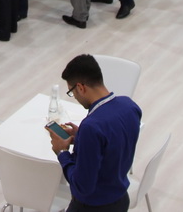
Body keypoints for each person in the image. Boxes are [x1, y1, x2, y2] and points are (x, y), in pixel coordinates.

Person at [49, 54, 142, 212]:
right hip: (120, 200)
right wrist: (81, 138)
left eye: (72, 92)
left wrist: (62, 152)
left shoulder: (91, 127)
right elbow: (114, 144)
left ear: (80, 88)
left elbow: (82, 186)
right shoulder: (130, 106)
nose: (75, 97)